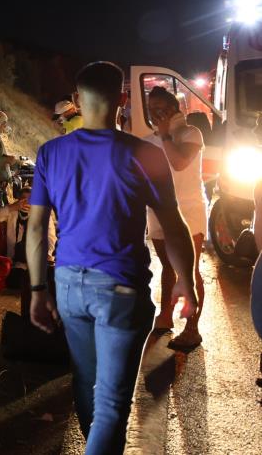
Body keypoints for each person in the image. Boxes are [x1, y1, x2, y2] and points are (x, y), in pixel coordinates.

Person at [27, 61, 196, 454]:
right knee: (111, 405)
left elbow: (36, 229)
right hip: (120, 287)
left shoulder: (50, 153)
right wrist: (186, 280)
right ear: (122, 99)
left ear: (75, 100)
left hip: (69, 285)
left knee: (87, 387)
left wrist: (38, 289)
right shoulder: (145, 154)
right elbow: (174, 225)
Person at [144, 86, 208, 350]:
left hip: (189, 210)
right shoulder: (149, 140)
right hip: (158, 213)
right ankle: (165, 315)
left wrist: (165, 135)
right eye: (151, 109)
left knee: (189, 270)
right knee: (168, 267)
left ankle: (192, 329)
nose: (156, 113)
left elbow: (180, 162)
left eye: (161, 108)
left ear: (174, 109)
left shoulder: (190, 133)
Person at [0, 184, 56, 288]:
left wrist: (48, 253)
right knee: (18, 280)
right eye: (23, 199)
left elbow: (50, 237)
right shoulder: (13, 213)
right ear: (18, 200)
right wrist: (12, 207)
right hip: (17, 262)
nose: (27, 202)